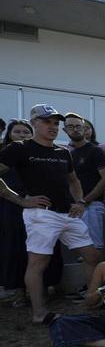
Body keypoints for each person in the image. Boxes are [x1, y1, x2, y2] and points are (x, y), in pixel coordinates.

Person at [0, 105, 102, 324]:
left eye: (56, 123)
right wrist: (21, 200)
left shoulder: (63, 152)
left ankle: (92, 301)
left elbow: (74, 181)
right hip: (41, 215)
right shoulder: (19, 148)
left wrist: (80, 202)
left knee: (92, 256)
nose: (53, 126)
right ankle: (39, 314)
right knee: (38, 263)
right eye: (47, 122)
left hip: (68, 214)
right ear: (34, 123)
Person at [64, 113, 105, 251]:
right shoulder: (66, 153)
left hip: (91, 206)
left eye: (79, 126)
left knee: (93, 248)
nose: (75, 129)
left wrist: (84, 201)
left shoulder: (96, 151)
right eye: (70, 127)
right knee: (79, 250)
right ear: (65, 130)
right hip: (71, 208)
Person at [0, 120, 34, 306]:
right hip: (10, 207)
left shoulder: (38, 154)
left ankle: (42, 289)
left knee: (39, 248)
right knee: (15, 248)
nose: (22, 135)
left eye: (26, 132)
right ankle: (19, 292)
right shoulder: (4, 156)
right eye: (17, 132)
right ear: (9, 134)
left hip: (38, 206)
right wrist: (19, 200)